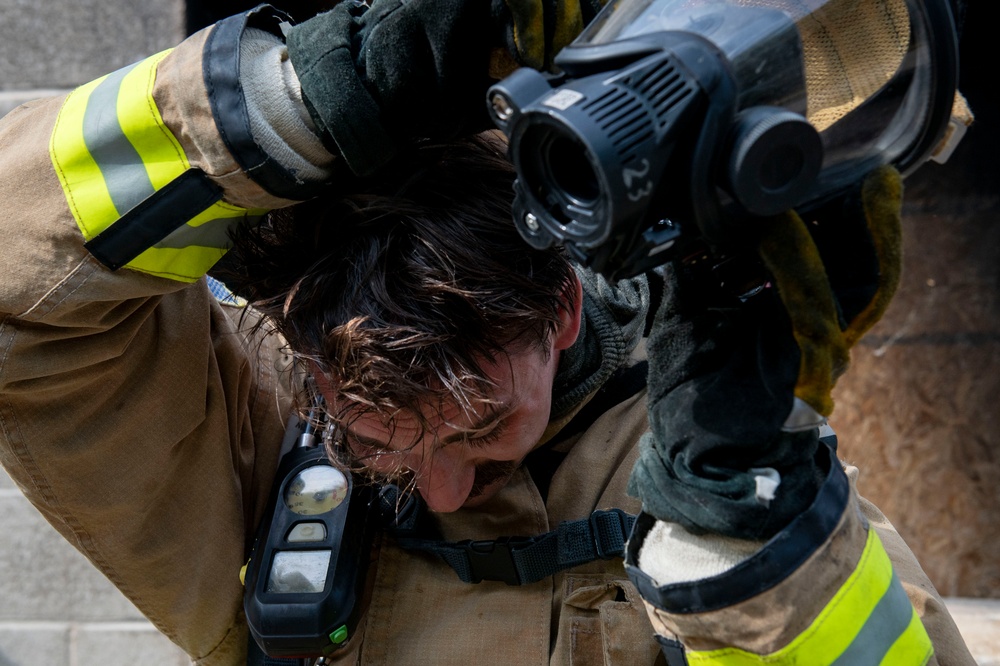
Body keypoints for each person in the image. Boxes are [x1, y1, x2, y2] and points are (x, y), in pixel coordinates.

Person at [0, 1, 976, 664]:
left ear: (559, 307)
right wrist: (290, 104)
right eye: (372, 443)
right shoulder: (259, 447)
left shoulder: (701, 441)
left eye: (474, 428)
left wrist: (739, 528)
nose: (438, 492)